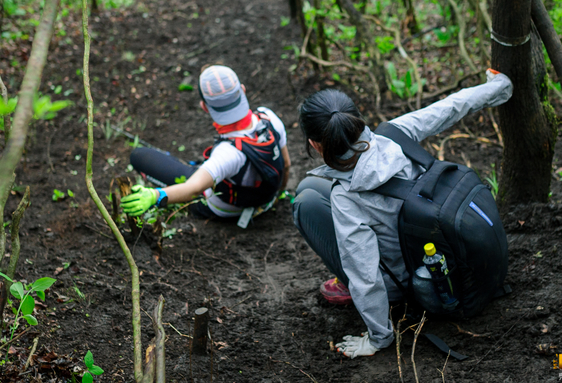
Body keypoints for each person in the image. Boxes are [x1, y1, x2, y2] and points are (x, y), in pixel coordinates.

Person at [292, 69, 512, 358]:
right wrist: (499, 86)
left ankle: (374, 305)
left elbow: (365, 275)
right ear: (356, 120)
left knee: (305, 202)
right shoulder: (395, 133)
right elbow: (449, 107)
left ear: (315, 145)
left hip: (402, 284)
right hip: (432, 252)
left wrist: (378, 338)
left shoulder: (347, 198)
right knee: (310, 186)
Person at [122, 65, 291, 221]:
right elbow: (286, 165)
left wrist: (154, 196)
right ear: (243, 90)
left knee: (139, 156)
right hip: (267, 200)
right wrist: (278, 194)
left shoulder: (227, 153)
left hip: (225, 211)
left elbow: (193, 189)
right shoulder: (269, 118)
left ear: (204, 106)